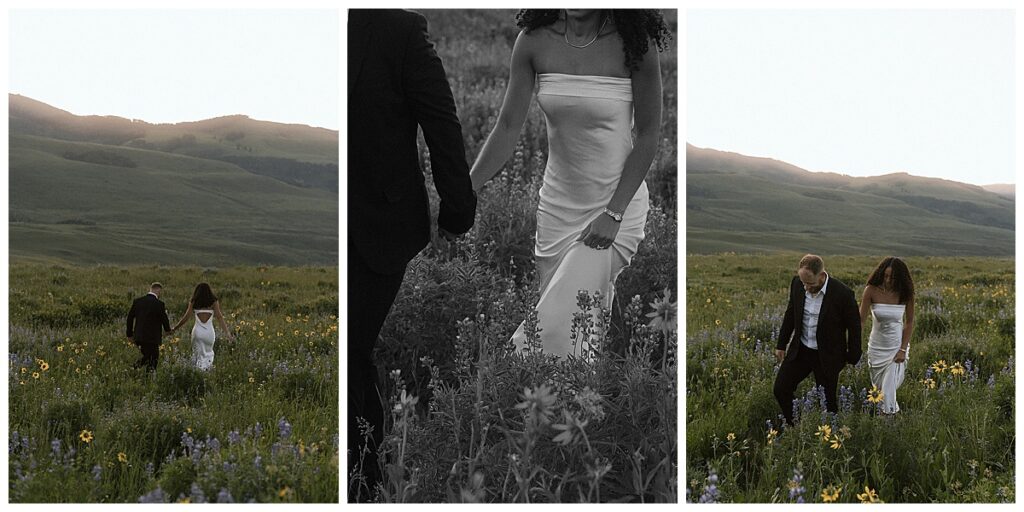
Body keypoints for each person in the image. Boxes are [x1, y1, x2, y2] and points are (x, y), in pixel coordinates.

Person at [469, 9, 670, 357]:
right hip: (556, 211)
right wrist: (466, 189)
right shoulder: (533, 41)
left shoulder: (636, 44)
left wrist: (614, 213)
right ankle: (575, 407)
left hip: (615, 205)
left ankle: (510, 381)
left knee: (560, 329)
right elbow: (507, 127)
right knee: (579, 329)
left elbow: (649, 135)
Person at [348, 9, 477, 502]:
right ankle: (365, 480)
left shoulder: (396, 28)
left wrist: (456, 208)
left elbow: (439, 118)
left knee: (353, 354)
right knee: (351, 360)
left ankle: (366, 484)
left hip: (379, 224)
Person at [773, 255, 862, 424]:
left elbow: (854, 327)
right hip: (801, 350)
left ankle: (830, 434)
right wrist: (781, 344)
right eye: (803, 283)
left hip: (827, 355)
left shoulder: (843, 294)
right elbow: (790, 314)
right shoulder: (797, 284)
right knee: (780, 389)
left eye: (810, 284)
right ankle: (797, 425)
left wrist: (853, 355)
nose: (806, 288)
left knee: (828, 402)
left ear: (822, 276)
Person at [860, 256, 915, 414]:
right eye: (885, 276)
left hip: (895, 348)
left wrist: (903, 349)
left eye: (892, 277)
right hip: (876, 348)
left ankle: (887, 422)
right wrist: (854, 343)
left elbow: (909, 322)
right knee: (879, 389)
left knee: (888, 389)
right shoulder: (871, 290)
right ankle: (891, 420)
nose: (888, 280)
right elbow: (861, 320)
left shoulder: (905, 293)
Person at [171, 282, 234, 371]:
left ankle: (198, 372)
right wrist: (228, 333)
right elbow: (219, 317)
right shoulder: (214, 301)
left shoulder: (194, 301)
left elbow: (186, 317)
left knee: (197, 355)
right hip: (209, 333)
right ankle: (206, 372)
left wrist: (175, 328)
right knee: (208, 353)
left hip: (197, 332)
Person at [126, 282, 172, 371]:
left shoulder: (138, 301)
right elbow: (164, 319)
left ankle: (136, 371)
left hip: (139, 336)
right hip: (152, 338)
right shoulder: (159, 304)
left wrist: (129, 334)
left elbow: (130, 318)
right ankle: (134, 370)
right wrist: (168, 330)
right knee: (153, 358)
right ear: (158, 290)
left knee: (147, 356)